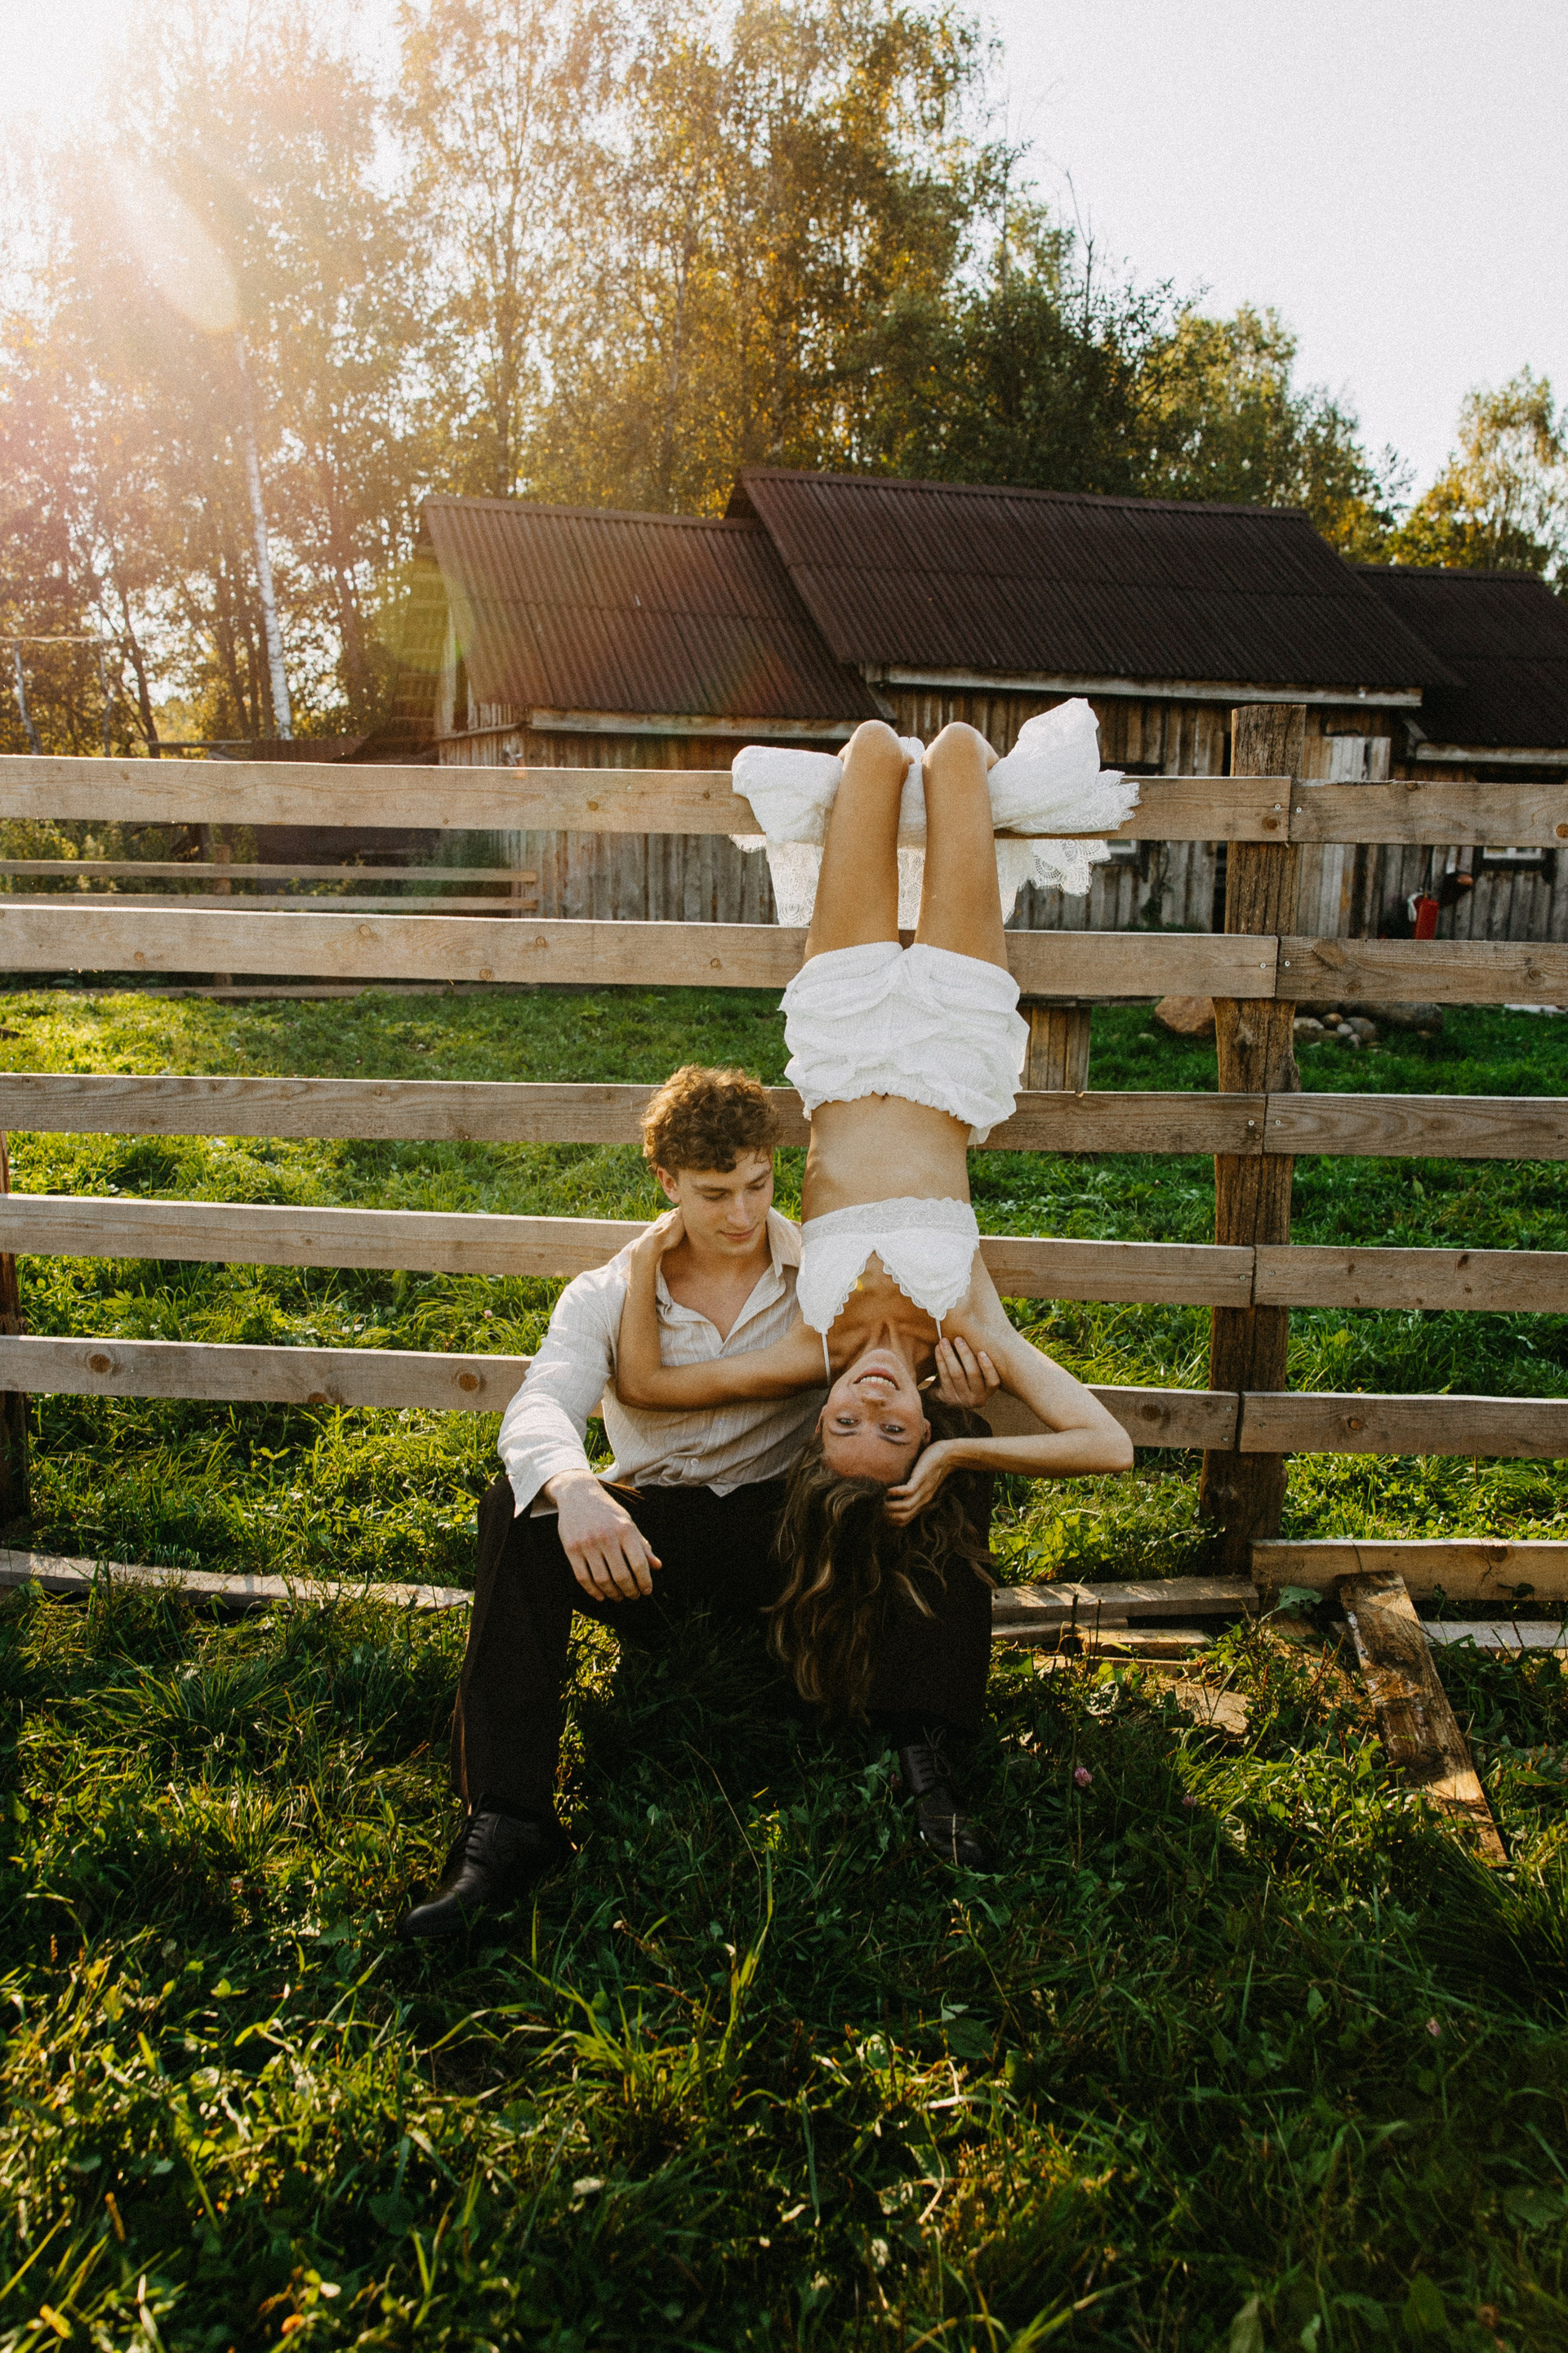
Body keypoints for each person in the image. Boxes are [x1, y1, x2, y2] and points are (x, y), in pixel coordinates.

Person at [613, 720, 1135, 1834]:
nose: (873, 1403)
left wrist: (647, 1251)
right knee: (955, 752)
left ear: (819, 1424)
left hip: (843, 1047)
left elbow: (652, 1386)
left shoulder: (808, 1345)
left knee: (870, 748)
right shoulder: (969, 1327)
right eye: (894, 1431)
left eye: (847, 1423)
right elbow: (1109, 1445)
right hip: (952, 1046)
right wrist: (960, 1451)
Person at [399, 1062, 1004, 1940]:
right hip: (654, 1544)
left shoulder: (829, 1273)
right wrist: (577, 1487)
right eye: (716, 1193)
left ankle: (923, 1752)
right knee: (517, 1506)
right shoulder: (611, 1291)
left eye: (758, 1184)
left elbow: (892, 1375)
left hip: (791, 1536)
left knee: (954, 1442)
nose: (743, 1214)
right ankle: (507, 1817)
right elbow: (540, 1405)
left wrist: (949, 1386)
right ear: (667, 1181)